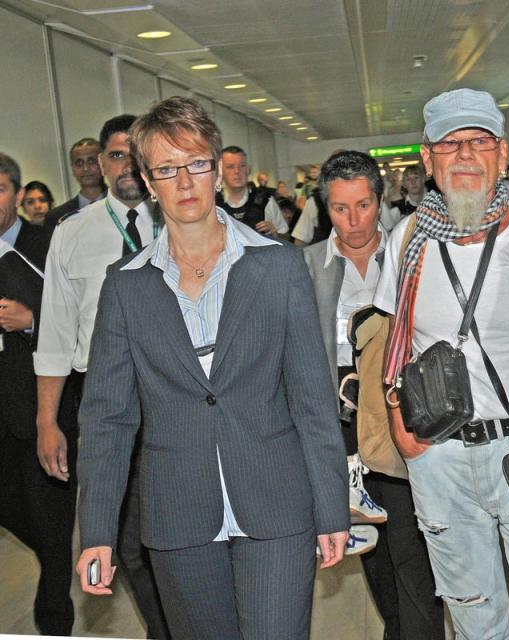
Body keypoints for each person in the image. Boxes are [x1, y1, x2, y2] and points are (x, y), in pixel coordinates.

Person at [74, 96, 349, 639]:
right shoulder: (126, 284)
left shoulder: (278, 268)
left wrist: (332, 507)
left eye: (196, 163)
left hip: (276, 501)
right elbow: (107, 417)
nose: (184, 182)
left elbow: (312, 399)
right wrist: (98, 529)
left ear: (217, 169)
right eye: (167, 169)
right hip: (179, 509)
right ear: (148, 184)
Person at [374, 88, 509, 639]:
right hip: (441, 459)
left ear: (500, 154)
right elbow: (392, 344)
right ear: (428, 160)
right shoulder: (407, 241)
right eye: (451, 144)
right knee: (474, 616)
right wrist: (404, 433)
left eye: (478, 142)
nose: (466, 155)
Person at [34, 114, 170, 640]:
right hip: (109, 402)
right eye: (115, 156)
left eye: (134, 155)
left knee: (185, 528)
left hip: (179, 397)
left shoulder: (186, 220)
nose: (125, 167)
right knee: (128, 541)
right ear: (101, 165)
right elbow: (56, 339)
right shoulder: (73, 234)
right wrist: (48, 420)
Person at [303, 150, 444, 640]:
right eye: (340, 208)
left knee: (410, 544)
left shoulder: (411, 255)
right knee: (371, 549)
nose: (353, 220)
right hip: (341, 433)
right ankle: (396, 629)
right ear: (326, 209)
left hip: (400, 420)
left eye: (363, 205)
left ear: (379, 202)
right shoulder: (307, 268)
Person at [0, 153, 75, 636]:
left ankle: (54, 625)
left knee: (51, 530)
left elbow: (81, 322)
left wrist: (32, 322)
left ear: (17, 194)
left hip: (41, 411)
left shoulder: (46, 244)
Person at [216, 145, 288, 237]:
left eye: (242, 166)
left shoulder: (266, 200)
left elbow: (286, 237)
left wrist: (275, 233)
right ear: (220, 171)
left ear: (248, 169)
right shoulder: (213, 204)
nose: (237, 171)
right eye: (230, 167)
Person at [45, 138, 107, 228]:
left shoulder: (123, 204)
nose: (86, 168)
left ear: (103, 163)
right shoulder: (56, 217)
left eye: (91, 161)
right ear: (72, 168)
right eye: (79, 162)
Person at [381, 164, 427, 230]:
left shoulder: (436, 202)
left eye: (416, 177)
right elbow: (388, 227)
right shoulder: (398, 209)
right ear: (404, 184)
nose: (413, 182)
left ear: (423, 179)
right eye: (408, 179)